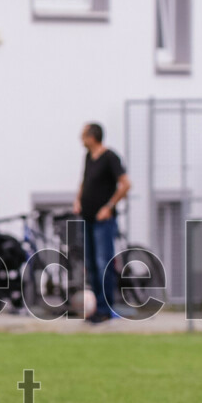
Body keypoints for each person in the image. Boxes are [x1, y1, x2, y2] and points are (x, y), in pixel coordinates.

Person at [74, 123, 131, 324]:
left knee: (103, 263)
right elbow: (84, 181)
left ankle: (106, 308)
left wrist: (108, 207)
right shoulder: (89, 158)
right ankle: (96, 308)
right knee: (90, 264)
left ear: (92, 137)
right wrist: (78, 200)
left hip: (103, 222)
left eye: (83, 135)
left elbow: (126, 184)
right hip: (87, 218)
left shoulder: (110, 158)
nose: (81, 139)